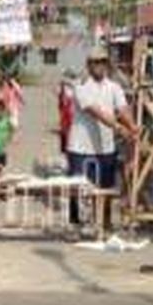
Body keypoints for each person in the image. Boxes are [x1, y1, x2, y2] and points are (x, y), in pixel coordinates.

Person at [66, 46, 138, 224]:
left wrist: (133, 126)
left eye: (102, 62)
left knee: (105, 187)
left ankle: (104, 222)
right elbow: (95, 111)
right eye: (95, 62)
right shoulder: (80, 86)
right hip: (80, 147)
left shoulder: (114, 87)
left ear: (107, 64)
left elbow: (122, 109)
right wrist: (119, 128)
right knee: (78, 187)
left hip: (105, 147)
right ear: (89, 65)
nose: (99, 66)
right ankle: (75, 221)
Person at [58, 69, 78, 153]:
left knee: (70, 129)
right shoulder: (64, 86)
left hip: (71, 109)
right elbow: (59, 94)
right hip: (66, 109)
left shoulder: (75, 85)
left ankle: (70, 147)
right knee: (65, 129)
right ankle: (66, 147)